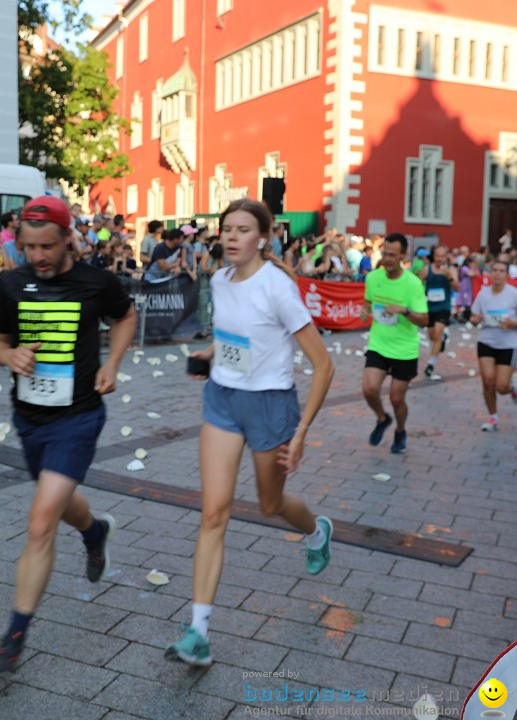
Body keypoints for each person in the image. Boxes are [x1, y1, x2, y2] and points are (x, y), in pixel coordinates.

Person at [167, 198, 335, 666]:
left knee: (269, 504)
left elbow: (324, 367)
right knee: (213, 513)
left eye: (243, 229)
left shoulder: (278, 288)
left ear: (263, 237)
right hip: (222, 399)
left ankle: (316, 530)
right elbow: (232, 338)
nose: (232, 237)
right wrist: (211, 356)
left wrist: (300, 434)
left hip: (270, 407)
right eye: (226, 229)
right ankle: (198, 631)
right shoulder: (219, 280)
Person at [0, 196, 137, 674]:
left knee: (40, 521)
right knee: (60, 504)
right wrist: (9, 357)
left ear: (69, 237)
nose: (39, 257)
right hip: (30, 418)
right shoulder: (10, 282)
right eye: (29, 247)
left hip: (79, 416)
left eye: (47, 246)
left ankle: (13, 637)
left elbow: (125, 315)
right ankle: (95, 530)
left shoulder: (96, 281)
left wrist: (112, 364)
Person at [359, 233, 428, 453]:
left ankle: (400, 430)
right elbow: (368, 302)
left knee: (397, 398)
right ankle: (382, 418)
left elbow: (424, 320)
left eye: (392, 255)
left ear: (403, 255)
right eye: (385, 253)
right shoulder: (373, 278)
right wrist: (365, 311)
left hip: (404, 349)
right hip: (379, 344)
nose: (387, 259)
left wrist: (404, 310)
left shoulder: (413, 284)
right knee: (370, 390)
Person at [469, 260, 517, 431]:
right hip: (486, 341)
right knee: (488, 381)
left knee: (501, 386)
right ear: (489, 273)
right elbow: (473, 317)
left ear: (506, 274)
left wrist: (512, 323)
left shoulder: (515, 294)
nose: (497, 273)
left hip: (508, 344)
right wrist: (477, 319)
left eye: (501, 270)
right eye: (494, 270)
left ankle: (512, 387)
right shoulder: (483, 294)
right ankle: (493, 417)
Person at [423, 245, 459, 381]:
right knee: (432, 336)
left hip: (444, 307)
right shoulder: (428, 269)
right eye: (437, 256)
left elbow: (457, 288)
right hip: (429, 307)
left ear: (446, 256)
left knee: (436, 334)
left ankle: (431, 364)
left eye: (442, 256)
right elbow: (417, 281)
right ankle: (442, 339)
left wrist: (449, 277)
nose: (439, 259)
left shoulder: (451, 269)